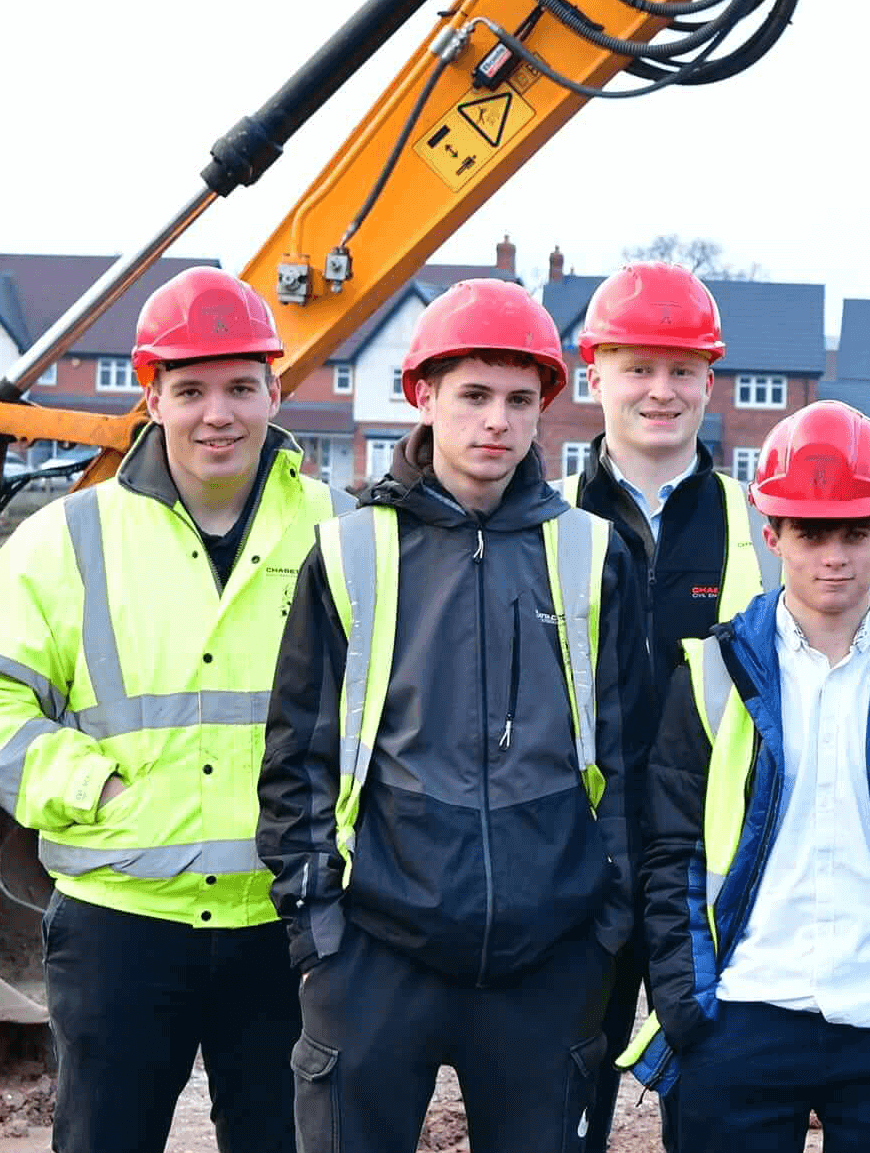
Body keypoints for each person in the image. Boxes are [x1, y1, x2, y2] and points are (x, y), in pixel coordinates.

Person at [259, 278, 650, 1152]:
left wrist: (605, 931)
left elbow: (627, 760)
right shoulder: (351, 550)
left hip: (548, 959)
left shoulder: (591, 554)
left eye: (520, 400)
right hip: (374, 952)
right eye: (473, 395)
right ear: (423, 395)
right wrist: (321, 935)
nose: (497, 422)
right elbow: (297, 759)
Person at [0, 268, 348, 1153]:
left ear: (276, 388)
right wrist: (92, 788)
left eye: (240, 387)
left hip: (285, 921)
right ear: (150, 398)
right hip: (121, 916)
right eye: (190, 389)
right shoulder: (66, 538)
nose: (217, 414)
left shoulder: (341, 531)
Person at [622, 400, 870, 1151]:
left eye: (856, 531)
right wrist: (689, 1005)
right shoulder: (713, 672)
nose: (835, 555)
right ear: (773, 534)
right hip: (741, 1016)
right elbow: (670, 853)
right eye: (811, 532)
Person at [556, 260, 779, 1152]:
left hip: (716, 879)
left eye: (682, 369)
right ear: (594, 374)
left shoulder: (763, 524)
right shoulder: (550, 519)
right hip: (579, 873)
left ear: (710, 381)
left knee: (717, 1116)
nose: (661, 390)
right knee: (563, 1115)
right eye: (638, 367)